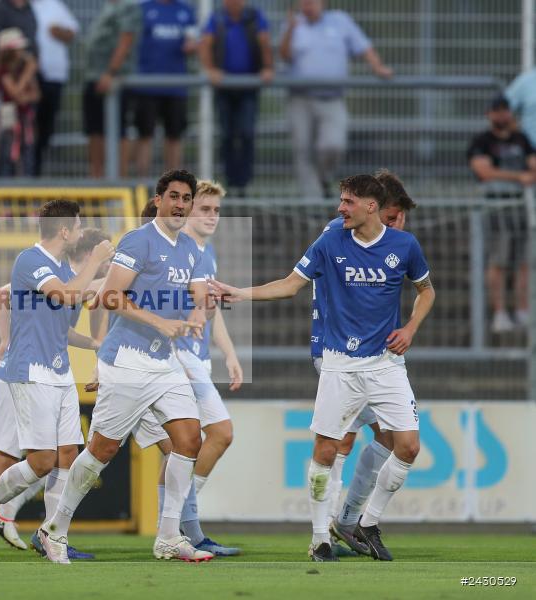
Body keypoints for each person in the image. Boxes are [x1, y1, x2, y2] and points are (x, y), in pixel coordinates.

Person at [210, 174, 435, 562]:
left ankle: (366, 521)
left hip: (386, 364)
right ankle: (320, 538)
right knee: (328, 449)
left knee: (409, 446)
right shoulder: (331, 240)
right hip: (339, 364)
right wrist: (241, 293)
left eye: (348, 201)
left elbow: (427, 290)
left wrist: (411, 328)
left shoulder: (404, 244)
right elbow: (290, 284)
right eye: (341, 200)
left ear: (370, 206)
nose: (340, 208)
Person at [39, 170, 215, 563]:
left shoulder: (189, 247)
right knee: (101, 450)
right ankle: (54, 529)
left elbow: (200, 289)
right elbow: (112, 297)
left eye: (186, 198)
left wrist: (200, 312)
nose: (180, 204)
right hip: (128, 362)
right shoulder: (138, 241)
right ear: (157, 200)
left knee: (190, 440)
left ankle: (169, 537)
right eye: (173, 196)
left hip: (163, 362)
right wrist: (161, 322)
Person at [0, 228, 111, 559]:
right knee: (23, 459)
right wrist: (6, 339)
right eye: (74, 225)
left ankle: (51, 533)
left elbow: (71, 311)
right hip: (25, 372)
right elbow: (6, 294)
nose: (107, 262)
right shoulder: (38, 263)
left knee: (66, 453)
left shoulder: (68, 274)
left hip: (58, 372)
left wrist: (93, 343)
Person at [130, 180, 244, 557]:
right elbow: (120, 297)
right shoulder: (167, 250)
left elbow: (211, 311)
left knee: (183, 448)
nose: (212, 216)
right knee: (213, 436)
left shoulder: (202, 255)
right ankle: (183, 527)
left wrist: (228, 353)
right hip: (167, 359)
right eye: (204, 209)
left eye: (215, 210)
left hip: (193, 359)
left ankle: (184, 528)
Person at [309, 170, 418, 558]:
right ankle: (325, 530)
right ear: (375, 209)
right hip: (337, 351)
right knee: (341, 440)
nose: (396, 227)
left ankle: (349, 519)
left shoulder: (391, 240)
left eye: (400, 220)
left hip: (375, 354)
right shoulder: (337, 233)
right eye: (392, 218)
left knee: (390, 440)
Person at [279, 0, 392, 199]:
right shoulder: (292, 24)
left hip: (332, 98)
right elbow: (284, 56)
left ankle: (322, 178)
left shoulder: (340, 21)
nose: (307, 5)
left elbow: (363, 46)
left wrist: (378, 67)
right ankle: (312, 204)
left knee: (333, 146)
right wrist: (289, 30)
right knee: (302, 151)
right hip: (300, 98)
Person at [467, 95, 535, 334]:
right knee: (499, 261)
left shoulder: (521, 138)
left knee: (523, 262)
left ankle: (522, 310)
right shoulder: (482, 141)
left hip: (521, 208)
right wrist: (518, 177)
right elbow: (484, 172)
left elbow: (533, 166)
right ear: (489, 114)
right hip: (496, 207)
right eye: (497, 111)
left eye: (505, 110)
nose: (502, 115)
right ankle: (500, 313)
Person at [198, 0, 273, 196]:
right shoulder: (217, 18)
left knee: (247, 133)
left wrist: (267, 68)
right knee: (227, 135)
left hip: (248, 86)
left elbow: (264, 43)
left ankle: (244, 184)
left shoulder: (255, 17)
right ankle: (231, 182)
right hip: (224, 87)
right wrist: (210, 70)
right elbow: (205, 44)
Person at [131, 0, 197, 177]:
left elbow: (192, 39)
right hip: (146, 86)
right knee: (145, 136)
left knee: (174, 138)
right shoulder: (143, 9)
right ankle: (141, 186)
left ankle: (173, 189)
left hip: (176, 87)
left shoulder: (185, 11)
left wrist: (192, 45)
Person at [82, 0, 141, 178]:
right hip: (94, 77)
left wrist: (110, 72)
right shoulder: (108, 7)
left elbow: (126, 39)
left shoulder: (128, 7)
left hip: (113, 80)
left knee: (117, 131)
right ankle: (97, 181)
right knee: (94, 131)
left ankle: (118, 182)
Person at [0, 0, 38, 179]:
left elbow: (33, 95)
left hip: (22, 114)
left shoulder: (29, 10)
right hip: (6, 108)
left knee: (24, 150)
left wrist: (28, 75)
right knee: (2, 144)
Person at [31, 0, 79, 177]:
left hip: (53, 76)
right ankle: (25, 173)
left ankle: (35, 171)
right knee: (28, 126)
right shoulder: (20, 6)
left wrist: (58, 32)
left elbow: (72, 31)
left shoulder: (54, 6)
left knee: (46, 127)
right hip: (28, 78)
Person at [0, 28, 41, 177]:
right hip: (10, 119)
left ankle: (27, 189)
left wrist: (27, 74)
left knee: (28, 153)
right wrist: (28, 72)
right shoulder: (3, 71)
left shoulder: (23, 69)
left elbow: (36, 94)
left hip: (25, 117)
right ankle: (6, 193)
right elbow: (15, 94)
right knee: (8, 155)